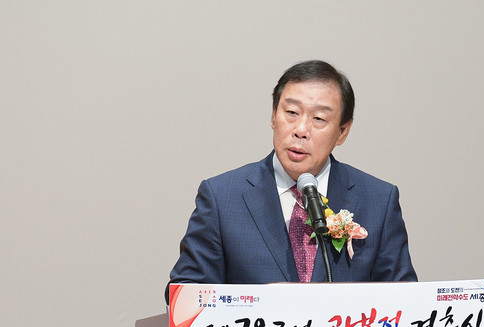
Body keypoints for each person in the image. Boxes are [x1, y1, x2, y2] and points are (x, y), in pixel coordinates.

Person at [166, 60, 416, 302]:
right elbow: (186, 295)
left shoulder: (378, 201)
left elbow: (407, 302)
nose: (301, 130)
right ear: (273, 116)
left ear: (343, 131)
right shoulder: (222, 197)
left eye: (319, 119)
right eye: (292, 113)